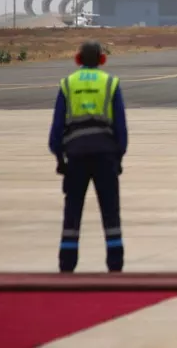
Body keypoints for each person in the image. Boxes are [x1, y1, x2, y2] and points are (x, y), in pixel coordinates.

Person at [49, 40, 127, 273]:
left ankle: (67, 263)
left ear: (77, 59)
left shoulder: (68, 84)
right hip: (105, 156)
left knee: (72, 211)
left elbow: (56, 128)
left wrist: (59, 159)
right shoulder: (110, 83)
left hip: (76, 157)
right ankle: (115, 263)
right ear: (102, 60)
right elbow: (121, 128)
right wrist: (119, 157)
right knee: (110, 211)